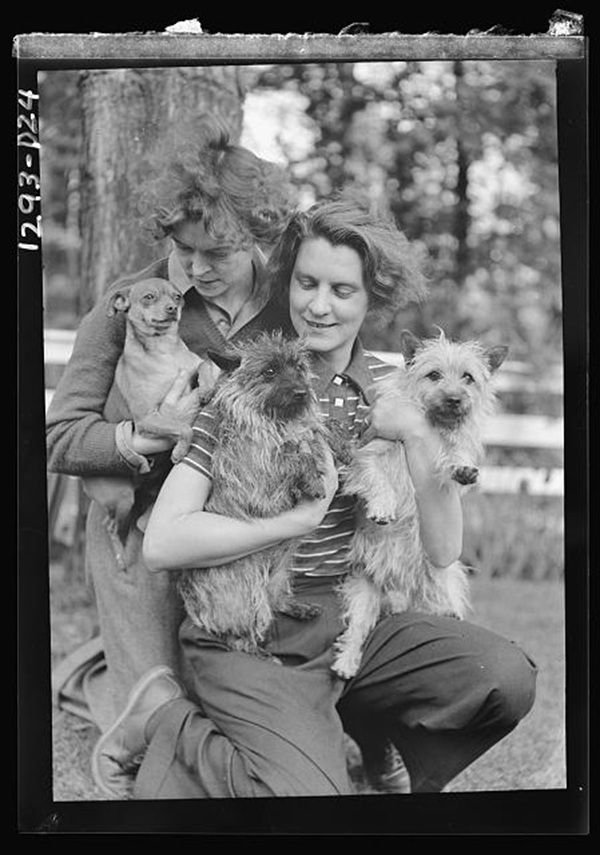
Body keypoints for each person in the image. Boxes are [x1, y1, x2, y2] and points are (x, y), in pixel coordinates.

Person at [92, 193, 537, 800]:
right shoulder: (249, 379)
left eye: (342, 291)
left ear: (372, 297)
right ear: (287, 282)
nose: (319, 307)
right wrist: (295, 521)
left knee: (501, 677)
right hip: (255, 628)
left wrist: (411, 433)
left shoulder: (402, 388)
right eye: (306, 283)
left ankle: (363, 732)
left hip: (355, 615)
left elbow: (442, 551)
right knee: (302, 800)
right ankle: (165, 720)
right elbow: (164, 543)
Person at [46, 116, 294, 732]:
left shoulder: (294, 302)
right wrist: (144, 436)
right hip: (141, 523)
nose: (197, 269)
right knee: (160, 720)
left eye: (219, 253)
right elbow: (58, 435)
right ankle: (99, 678)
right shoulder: (129, 299)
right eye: (184, 251)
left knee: (244, 713)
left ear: (257, 236)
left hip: (250, 522)